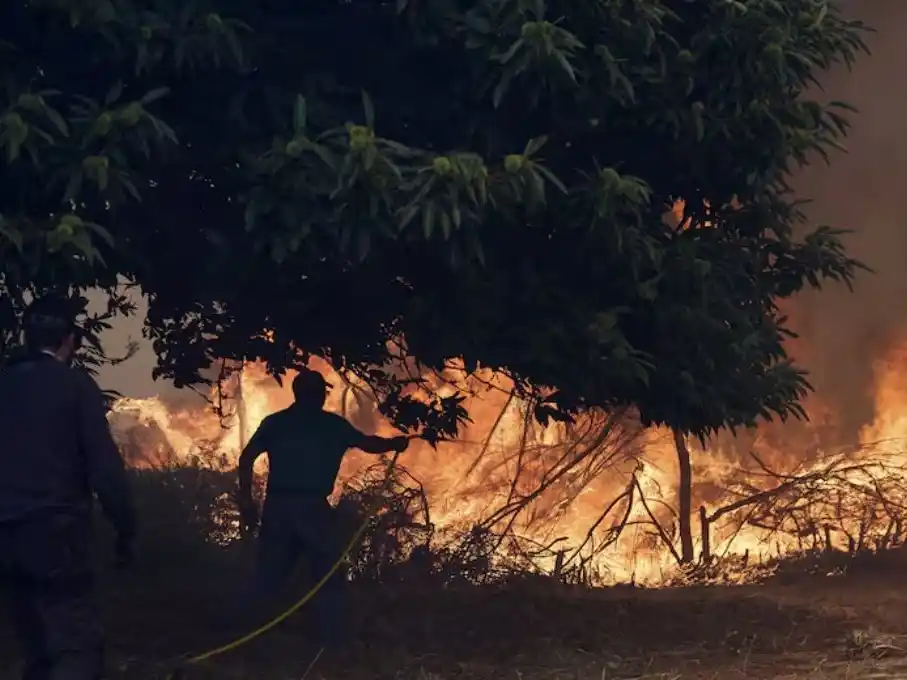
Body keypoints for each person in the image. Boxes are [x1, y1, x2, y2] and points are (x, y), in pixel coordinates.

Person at [0, 295, 137, 680]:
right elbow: (105, 470)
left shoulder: (4, 385)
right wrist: (126, 531)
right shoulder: (74, 385)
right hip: (54, 533)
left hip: (5, 536)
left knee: (34, 644)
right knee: (74, 646)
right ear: (70, 341)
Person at [236, 367, 409, 648]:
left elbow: (246, 459)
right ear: (318, 396)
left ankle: (240, 631)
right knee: (328, 574)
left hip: (277, 507)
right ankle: (335, 640)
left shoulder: (276, 423)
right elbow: (368, 444)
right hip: (312, 509)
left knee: (268, 574)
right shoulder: (332, 425)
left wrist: (246, 502)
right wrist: (395, 444)